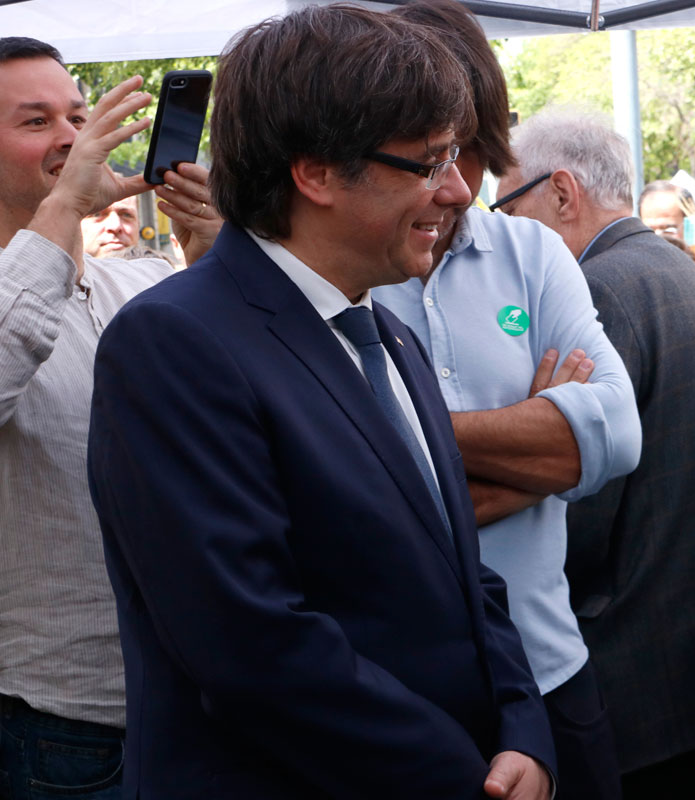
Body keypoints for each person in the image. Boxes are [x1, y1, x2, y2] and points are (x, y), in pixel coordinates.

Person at [85, 7, 554, 798]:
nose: (457, 191)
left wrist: (523, 731)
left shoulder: (382, 332)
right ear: (317, 173)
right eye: (428, 161)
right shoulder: (174, 343)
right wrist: (463, 776)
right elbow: (252, 649)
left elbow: (463, 575)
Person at [374, 3, 638, 798]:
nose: (452, 186)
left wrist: (397, 457)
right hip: (399, 699)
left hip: (551, 672)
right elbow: (335, 491)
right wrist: (543, 446)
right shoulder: (344, 274)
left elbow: (619, 433)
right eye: (427, 156)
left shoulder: (529, 251)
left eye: (467, 151)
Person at [497, 110, 695, 799]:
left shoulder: (600, 288)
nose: (493, 233)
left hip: (635, 685)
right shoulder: (673, 268)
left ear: (561, 193)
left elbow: (573, 512)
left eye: (503, 205)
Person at [0, 36, 216, 797]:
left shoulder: (139, 282)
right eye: (37, 122)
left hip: (194, 707)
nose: (73, 138)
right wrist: (63, 207)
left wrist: (217, 255)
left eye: (79, 115)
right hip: (61, 730)